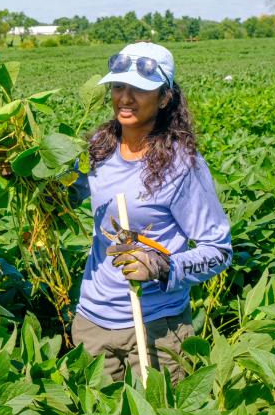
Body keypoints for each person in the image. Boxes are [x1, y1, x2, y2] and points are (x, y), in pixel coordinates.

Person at [70, 41, 232, 383]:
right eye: (118, 86)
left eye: (139, 89)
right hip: (92, 321)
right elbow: (64, 198)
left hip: (156, 325)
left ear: (164, 98)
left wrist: (162, 266)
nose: (125, 98)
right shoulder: (97, 149)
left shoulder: (182, 165)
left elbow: (218, 252)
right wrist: (26, 172)